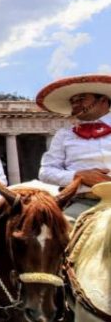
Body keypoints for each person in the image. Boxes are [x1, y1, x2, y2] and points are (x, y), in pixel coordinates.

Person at [37, 74, 111, 221]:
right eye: (73, 101)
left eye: (82, 98)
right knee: (61, 233)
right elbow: (45, 172)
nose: (75, 104)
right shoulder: (64, 135)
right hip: (84, 202)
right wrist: (78, 176)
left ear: (103, 100)